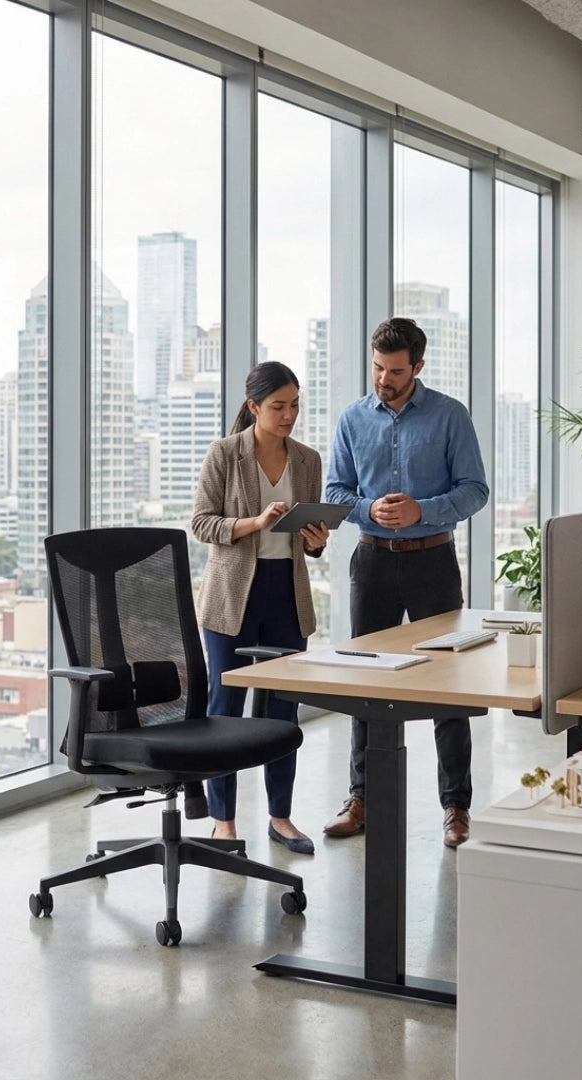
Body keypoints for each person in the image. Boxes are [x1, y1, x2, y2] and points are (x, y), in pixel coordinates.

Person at [323, 317, 489, 848]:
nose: (383, 379)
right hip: (371, 563)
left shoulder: (449, 416)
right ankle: (361, 797)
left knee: (448, 686)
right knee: (364, 683)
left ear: (418, 366)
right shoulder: (352, 419)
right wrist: (368, 506)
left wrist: (422, 510)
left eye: (395, 370)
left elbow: (475, 490)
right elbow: (336, 490)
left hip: (432, 562)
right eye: (377, 367)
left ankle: (456, 807)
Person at [191, 361, 330, 855]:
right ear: (253, 407)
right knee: (224, 709)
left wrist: (316, 541)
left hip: (285, 594)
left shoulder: (309, 461)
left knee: (281, 711)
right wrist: (253, 523)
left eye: (295, 405)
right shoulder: (225, 454)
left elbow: (309, 546)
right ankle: (222, 820)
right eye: (278, 406)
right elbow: (202, 524)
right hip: (232, 596)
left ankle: (281, 816)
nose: (289, 414)